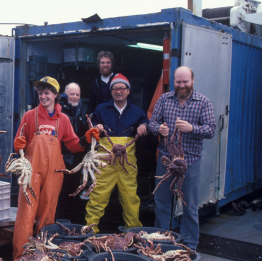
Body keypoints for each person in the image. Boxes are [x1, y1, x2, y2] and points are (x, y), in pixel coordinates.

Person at [12, 76, 99, 260]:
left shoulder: (64, 119)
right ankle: (20, 258)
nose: (43, 97)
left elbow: (74, 144)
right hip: (31, 173)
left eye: (47, 93)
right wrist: (18, 144)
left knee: (48, 215)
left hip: (54, 173)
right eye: (41, 93)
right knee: (26, 215)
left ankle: (42, 258)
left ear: (55, 95)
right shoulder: (29, 116)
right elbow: (20, 142)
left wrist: (86, 138)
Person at [148, 66, 215, 250]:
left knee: (189, 206)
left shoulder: (203, 102)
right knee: (161, 202)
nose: (182, 85)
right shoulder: (164, 99)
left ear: (193, 80)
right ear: (174, 82)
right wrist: (158, 129)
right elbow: (152, 123)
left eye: (185, 81)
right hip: (166, 162)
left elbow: (211, 129)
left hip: (190, 163)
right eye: (178, 82)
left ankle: (189, 246)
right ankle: (160, 242)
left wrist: (192, 128)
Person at [86, 74, 149, 232]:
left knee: (130, 198)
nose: (118, 91)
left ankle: (134, 232)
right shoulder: (101, 109)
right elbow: (91, 125)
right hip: (105, 162)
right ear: (111, 91)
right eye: (115, 88)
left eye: (122, 88)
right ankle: (89, 231)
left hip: (127, 164)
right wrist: (96, 127)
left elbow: (146, 122)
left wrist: (144, 125)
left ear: (128, 91)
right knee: (97, 196)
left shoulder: (137, 111)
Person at [56, 83, 88, 221]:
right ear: (64, 95)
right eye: (72, 94)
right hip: (60, 160)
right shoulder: (58, 111)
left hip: (77, 161)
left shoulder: (81, 111)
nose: (75, 97)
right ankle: (58, 222)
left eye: (77, 95)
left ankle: (74, 224)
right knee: (59, 193)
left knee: (75, 192)